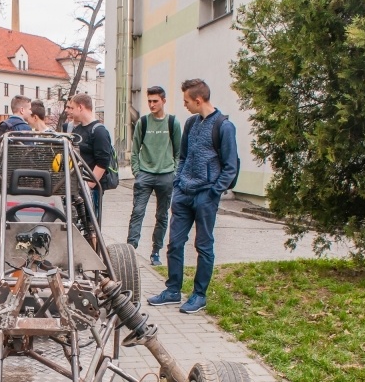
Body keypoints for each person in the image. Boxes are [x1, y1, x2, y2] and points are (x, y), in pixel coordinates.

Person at [147, 79, 238, 314]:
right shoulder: (191, 123)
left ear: (198, 100)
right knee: (175, 244)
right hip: (184, 194)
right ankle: (173, 290)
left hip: (206, 196)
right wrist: (178, 183)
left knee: (203, 246)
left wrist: (214, 191)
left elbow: (230, 167)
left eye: (187, 101)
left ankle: (199, 295)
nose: (185, 105)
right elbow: (183, 156)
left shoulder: (224, 126)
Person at [126, 86, 182, 266]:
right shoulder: (143, 123)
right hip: (145, 175)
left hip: (166, 176)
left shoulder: (172, 123)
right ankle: (131, 250)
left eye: (155, 101)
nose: (151, 104)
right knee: (137, 212)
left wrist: (173, 172)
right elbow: (134, 151)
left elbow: (179, 151)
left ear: (163, 101)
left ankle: (155, 252)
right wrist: (137, 172)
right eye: (149, 101)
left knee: (162, 216)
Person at [67, 93, 113, 209]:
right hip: (77, 186)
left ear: (81, 107)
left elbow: (102, 163)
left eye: (72, 108)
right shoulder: (77, 129)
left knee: (91, 224)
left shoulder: (99, 131)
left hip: (91, 189)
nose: (70, 111)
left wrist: (88, 186)